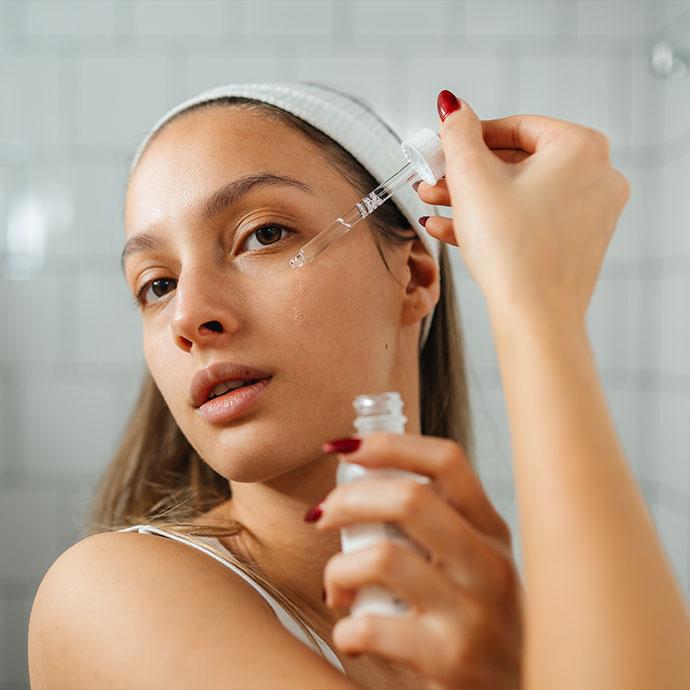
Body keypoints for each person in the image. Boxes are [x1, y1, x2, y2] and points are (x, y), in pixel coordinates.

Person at [26, 82, 690, 690]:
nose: (189, 317)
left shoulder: (500, 628)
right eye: (157, 285)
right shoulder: (109, 598)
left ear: (414, 279)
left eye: (264, 234)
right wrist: (538, 302)